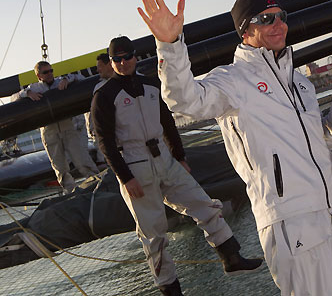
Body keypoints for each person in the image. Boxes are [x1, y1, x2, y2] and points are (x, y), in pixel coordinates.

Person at [138, 0, 332, 295]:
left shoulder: (300, 83)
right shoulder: (234, 80)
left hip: (329, 213)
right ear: (245, 31)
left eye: (281, 16)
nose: (278, 24)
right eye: (266, 18)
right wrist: (169, 44)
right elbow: (185, 100)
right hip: (290, 222)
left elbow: (317, 144)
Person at [91, 36, 263, 296]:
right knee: (154, 234)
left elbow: (168, 123)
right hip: (134, 164)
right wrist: (126, 178)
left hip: (165, 158)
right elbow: (105, 142)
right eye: (117, 59)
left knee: (204, 204)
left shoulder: (151, 85)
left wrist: (180, 156)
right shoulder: (104, 96)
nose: (123, 63)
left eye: (127, 57)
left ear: (136, 56)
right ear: (111, 62)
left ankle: (231, 256)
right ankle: (171, 290)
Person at [16, 61, 99, 194]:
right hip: (49, 131)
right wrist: (28, 93)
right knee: (60, 166)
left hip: (67, 126)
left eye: (51, 71)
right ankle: (70, 192)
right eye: (45, 72)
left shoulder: (60, 82)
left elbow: (81, 79)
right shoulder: (34, 88)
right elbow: (14, 97)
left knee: (81, 159)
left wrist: (67, 79)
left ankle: (97, 183)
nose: (50, 74)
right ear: (38, 75)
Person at [84, 53, 115, 167]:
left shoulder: (126, 81)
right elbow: (95, 113)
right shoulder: (99, 89)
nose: (97, 70)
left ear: (109, 65)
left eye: (100, 66)